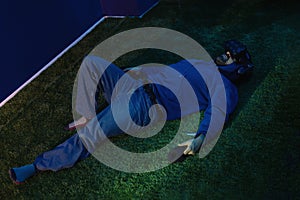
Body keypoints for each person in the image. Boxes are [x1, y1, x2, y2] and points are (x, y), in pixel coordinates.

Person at [9, 40, 253, 184]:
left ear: (238, 70)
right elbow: (168, 72)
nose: (223, 56)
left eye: (229, 58)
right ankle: (86, 113)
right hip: (132, 82)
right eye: (226, 54)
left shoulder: (226, 88)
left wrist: (199, 139)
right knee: (91, 62)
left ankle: (38, 165)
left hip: (144, 106)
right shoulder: (205, 65)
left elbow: (217, 113)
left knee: (94, 132)